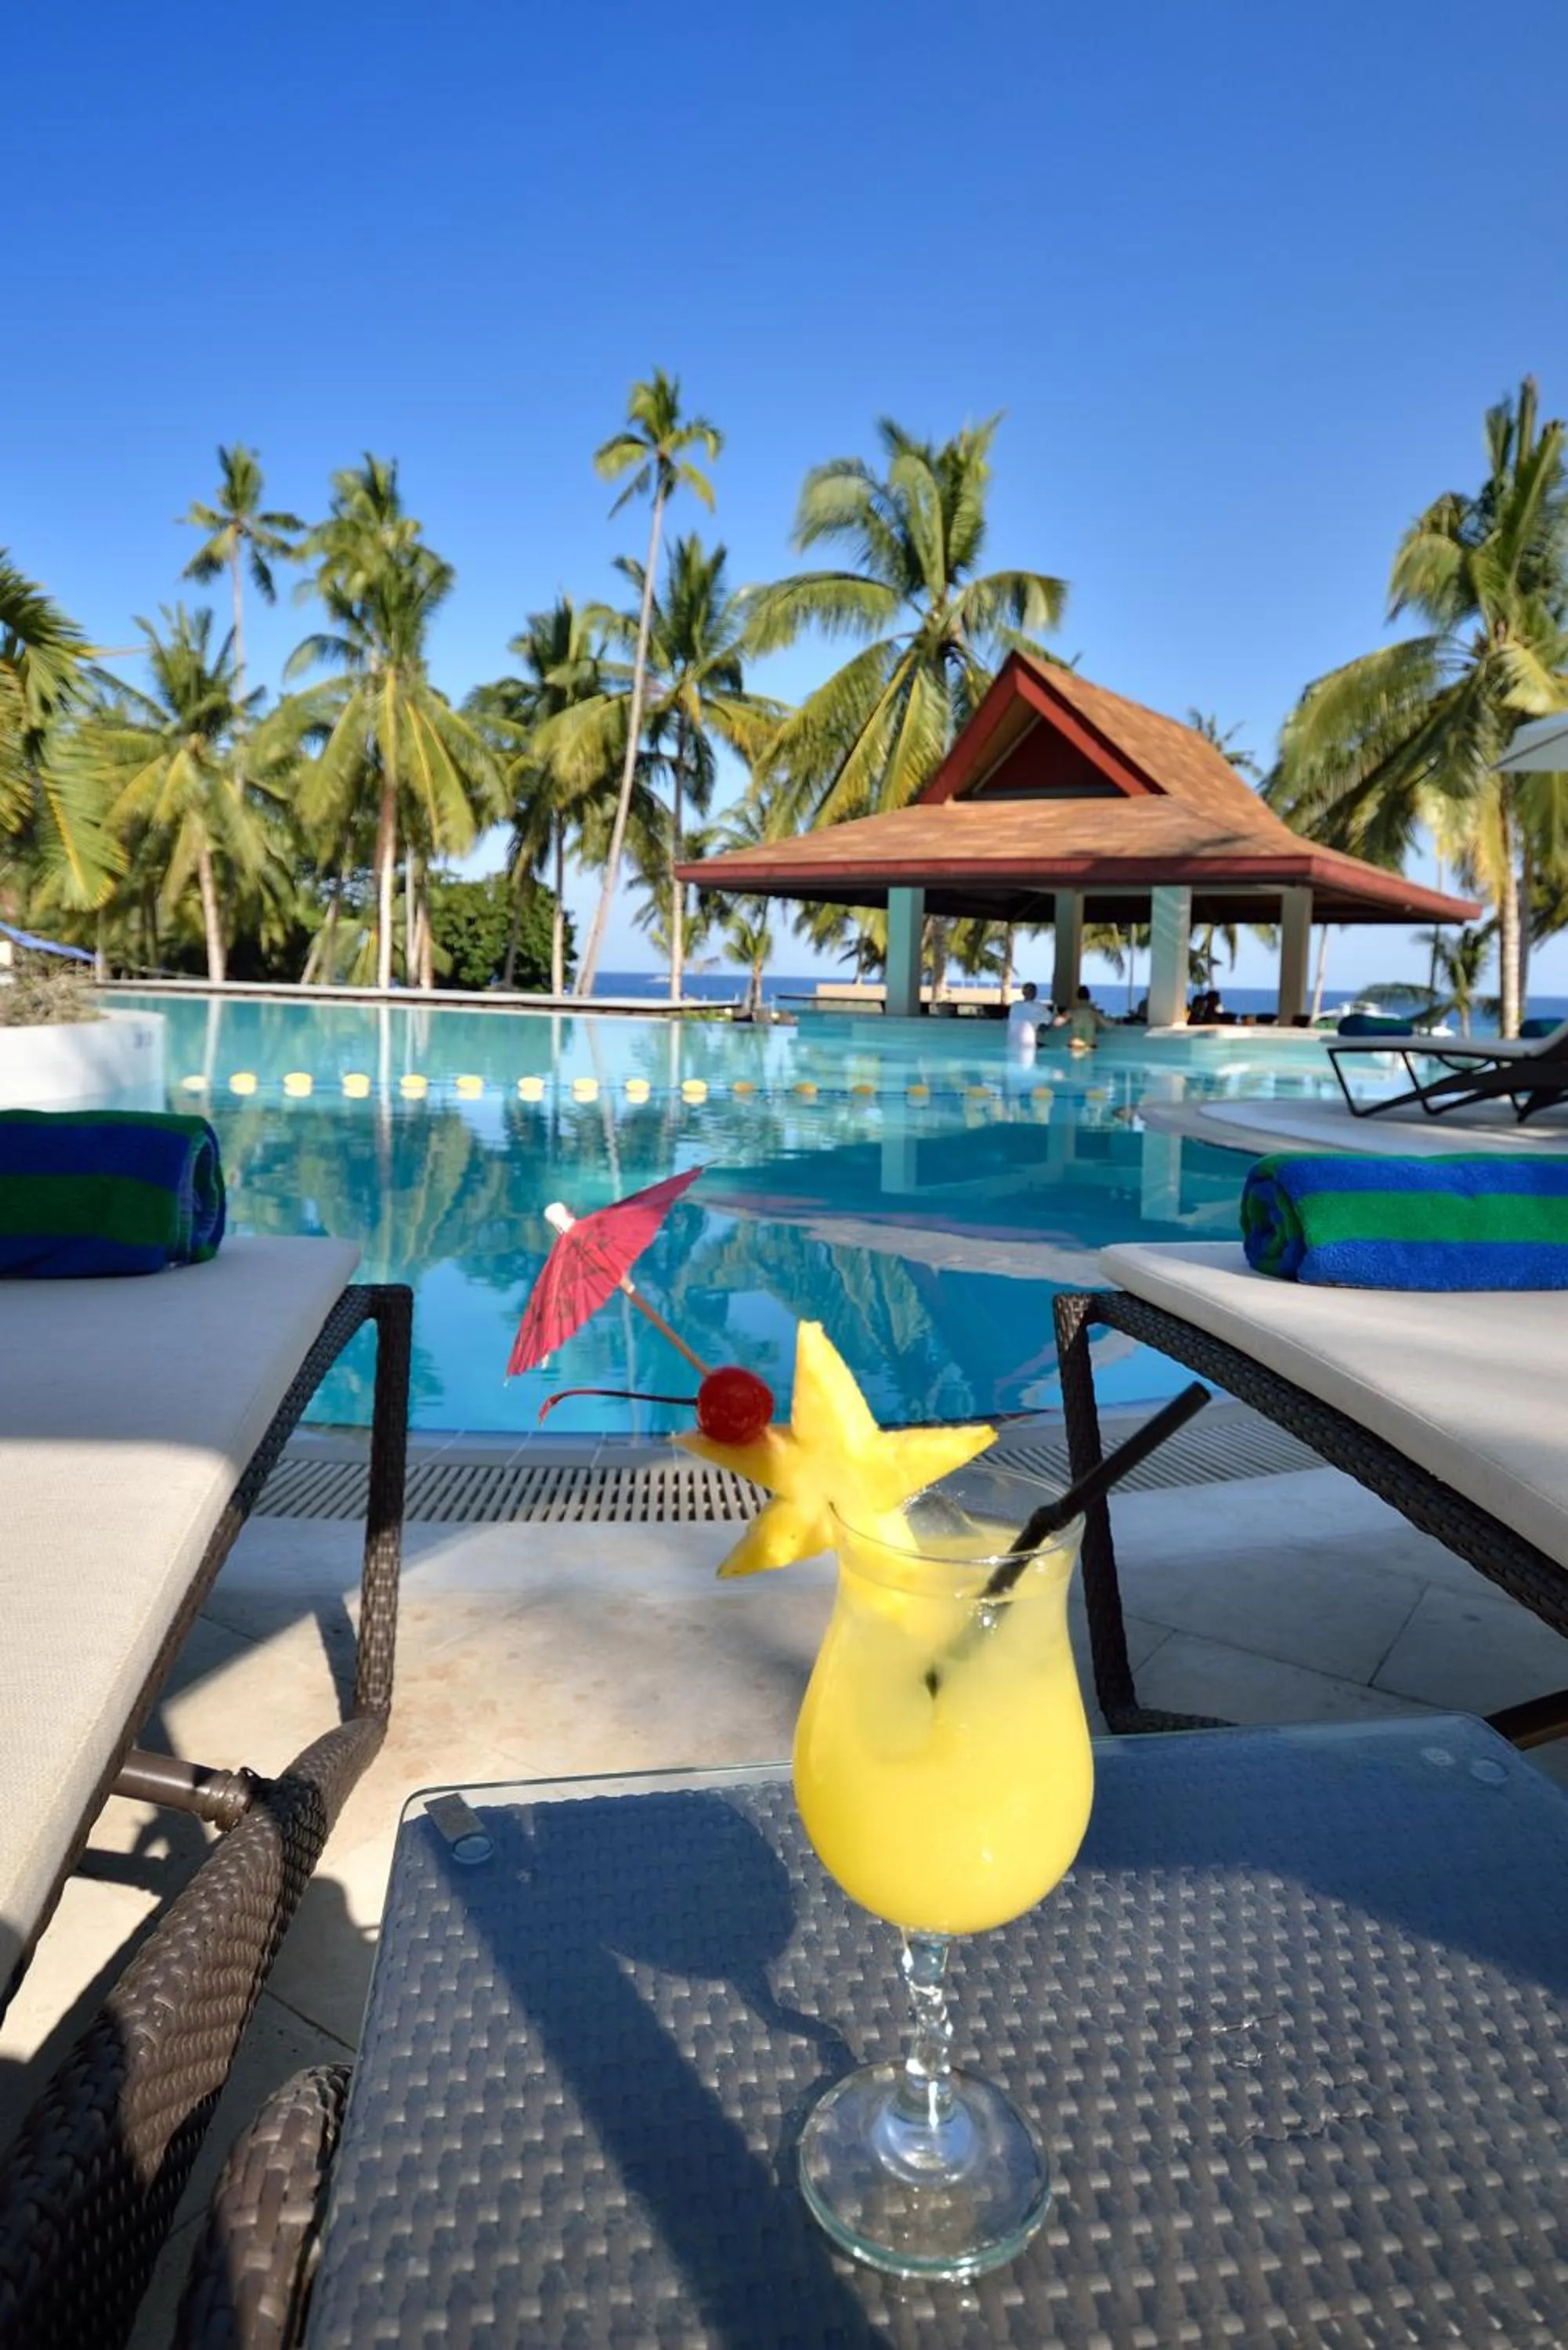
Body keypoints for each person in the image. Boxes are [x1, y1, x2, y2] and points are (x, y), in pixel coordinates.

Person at [1006, 982, 1042, 1054]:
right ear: (1035, 993)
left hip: (1012, 1042)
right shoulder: (1039, 1008)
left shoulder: (1014, 1006)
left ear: (1022, 993)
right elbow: (1052, 1022)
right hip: (1029, 1044)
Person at [1068, 985, 1103, 1050]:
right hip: (1090, 1045)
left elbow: (1059, 1022)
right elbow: (1106, 1024)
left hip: (1075, 1045)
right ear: (1089, 997)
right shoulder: (1093, 1011)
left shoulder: (1073, 1011)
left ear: (1077, 997)